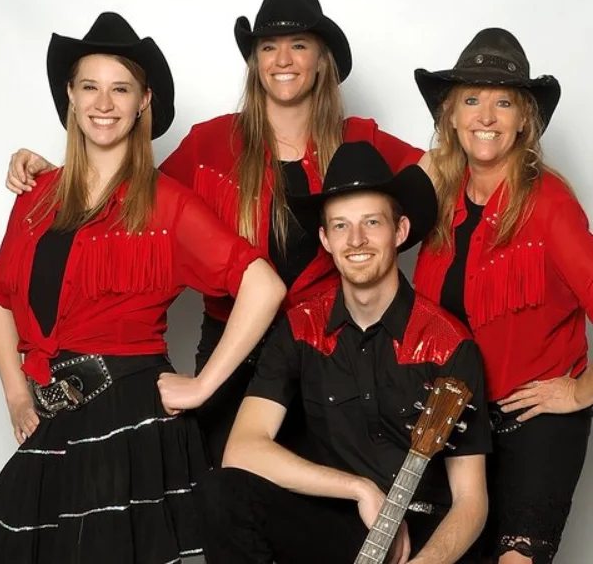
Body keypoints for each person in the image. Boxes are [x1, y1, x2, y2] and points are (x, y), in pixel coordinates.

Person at [4, 0, 427, 467]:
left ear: (321, 60)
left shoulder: (359, 143)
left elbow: (441, 174)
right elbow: (124, 204)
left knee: (336, 495)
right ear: (254, 62)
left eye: (299, 45)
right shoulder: (210, 144)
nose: (283, 59)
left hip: (330, 349)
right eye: (268, 47)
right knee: (225, 498)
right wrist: (52, 177)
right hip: (233, 352)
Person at [0, 12, 285, 563]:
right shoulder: (36, 196)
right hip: (54, 416)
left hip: (130, 421)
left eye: (120, 88)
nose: (104, 103)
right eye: (91, 87)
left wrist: (202, 387)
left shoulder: (167, 204)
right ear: (71, 98)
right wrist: (13, 391)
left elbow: (263, 285)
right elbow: (0, 297)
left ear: (143, 102)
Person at [194, 141, 491, 564]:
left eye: (372, 222)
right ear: (325, 239)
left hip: (422, 530)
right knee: (220, 492)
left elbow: (471, 501)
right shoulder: (300, 328)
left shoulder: (448, 344)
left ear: (400, 231)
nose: (356, 240)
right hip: (341, 519)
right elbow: (242, 450)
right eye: (340, 226)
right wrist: (357, 489)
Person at [412, 28, 593, 563]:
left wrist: (583, 391)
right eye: (471, 100)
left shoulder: (551, 206)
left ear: (524, 120)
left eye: (503, 102)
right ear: (449, 115)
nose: (485, 117)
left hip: (534, 426)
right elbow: (362, 223)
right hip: (455, 426)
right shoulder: (438, 198)